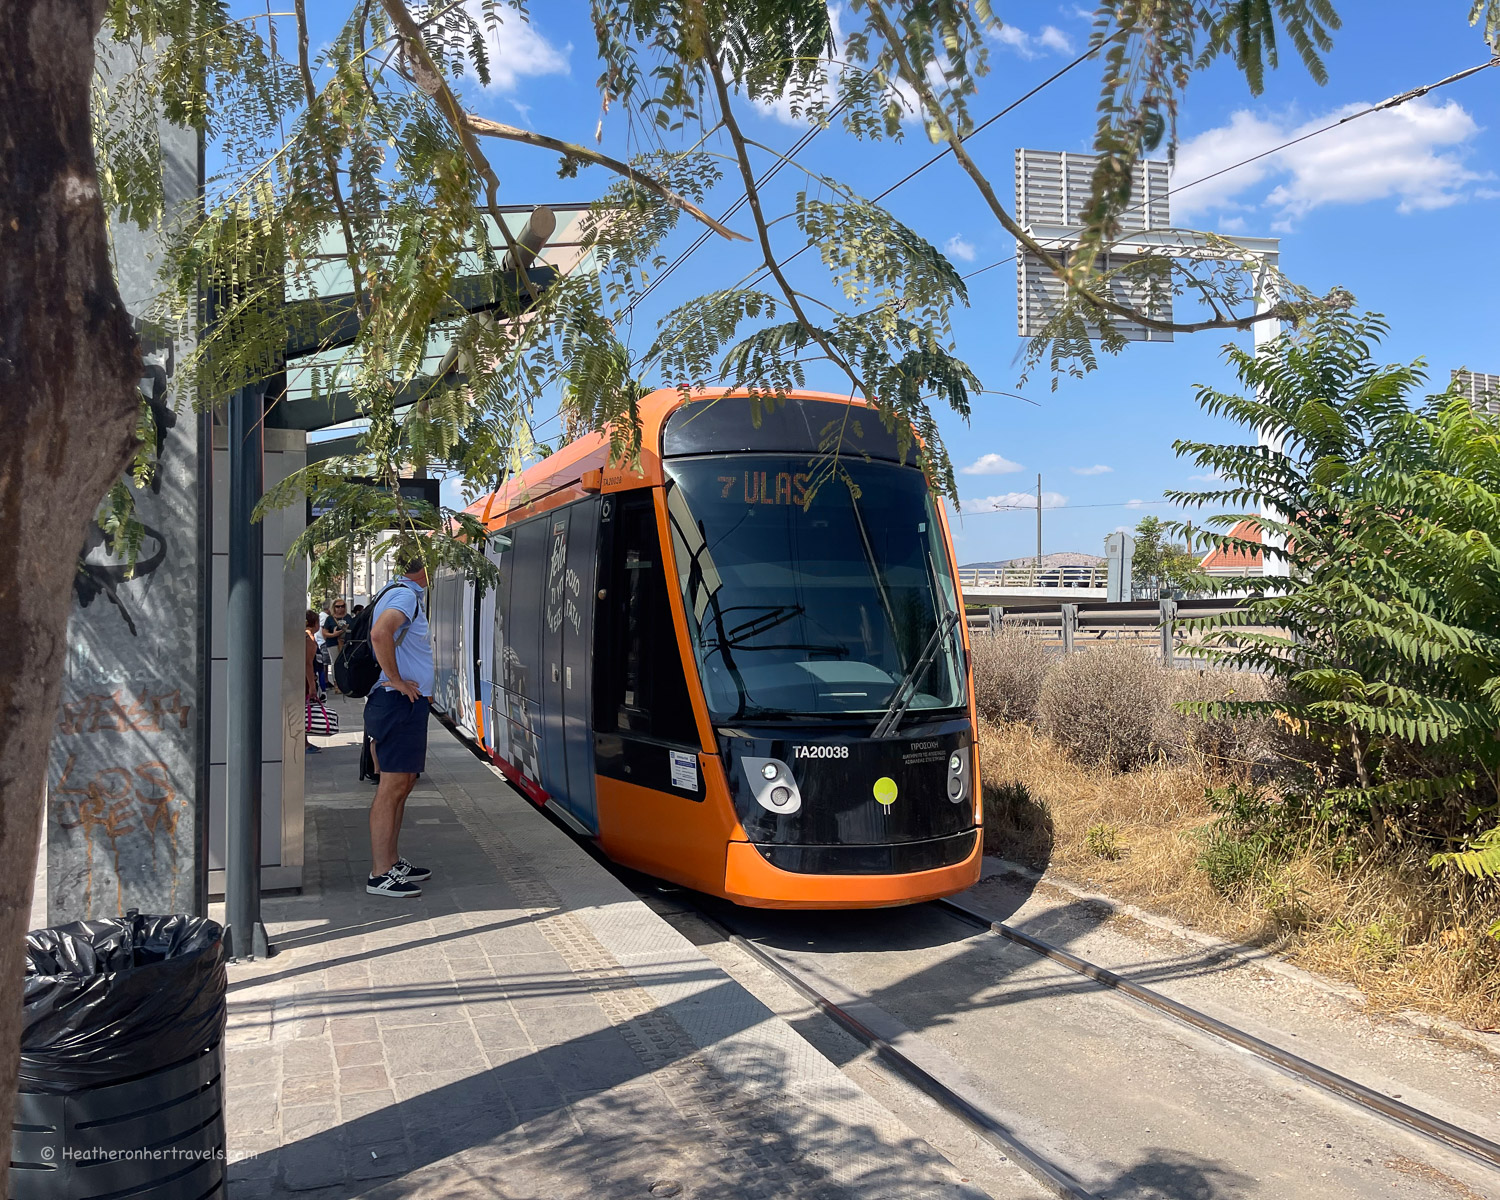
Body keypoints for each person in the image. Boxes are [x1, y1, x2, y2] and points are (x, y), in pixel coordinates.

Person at [363, 548, 434, 898]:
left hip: (404, 704)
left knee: (403, 784)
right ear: (425, 568)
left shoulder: (402, 592)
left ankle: (391, 862)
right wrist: (396, 679)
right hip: (396, 702)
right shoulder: (405, 595)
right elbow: (380, 633)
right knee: (391, 787)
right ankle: (380, 874)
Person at [303, 610, 323, 755]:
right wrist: (312, 686)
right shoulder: (308, 639)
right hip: (304, 680)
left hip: (298, 678)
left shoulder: (302, 636)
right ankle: (304, 743)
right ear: (315, 624)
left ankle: (304, 742)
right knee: (303, 711)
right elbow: (308, 664)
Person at [321, 598, 350, 691]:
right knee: (336, 662)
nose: (340, 608)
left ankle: (346, 682)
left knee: (346, 662)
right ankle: (336, 683)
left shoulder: (348, 617)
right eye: (338, 606)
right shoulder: (329, 619)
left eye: (342, 606)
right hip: (333, 643)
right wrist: (334, 634)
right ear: (334, 607)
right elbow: (324, 633)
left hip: (346, 643)